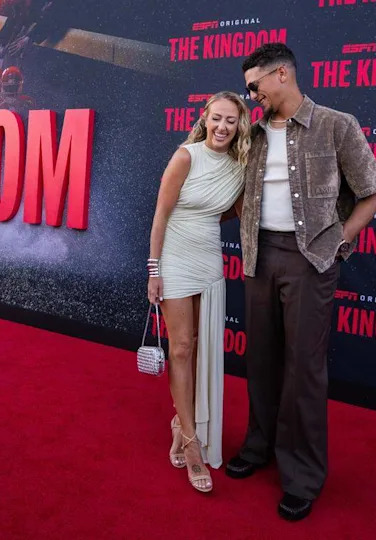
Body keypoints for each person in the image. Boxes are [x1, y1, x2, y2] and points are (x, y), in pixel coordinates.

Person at [226, 44, 376, 520]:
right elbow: (233, 189)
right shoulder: (251, 135)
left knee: (303, 371)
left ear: (282, 74)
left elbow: (374, 189)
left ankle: (302, 476)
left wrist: (339, 240)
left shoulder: (337, 124)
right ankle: (259, 448)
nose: (250, 94)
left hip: (311, 262)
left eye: (255, 85)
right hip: (259, 257)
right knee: (260, 360)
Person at [147, 91, 250, 493]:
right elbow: (161, 214)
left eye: (231, 121)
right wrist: (154, 270)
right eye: (217, 118)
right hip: (173, 257)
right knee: (182, 348)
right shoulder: (186, 156)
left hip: (208, 258)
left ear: (239, 125)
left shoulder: (240, 167)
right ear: (205, 117)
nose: (223, 127)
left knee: (204, 349)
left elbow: (229, 211)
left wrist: (205, 217)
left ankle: (181, 424)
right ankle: (191, 443)